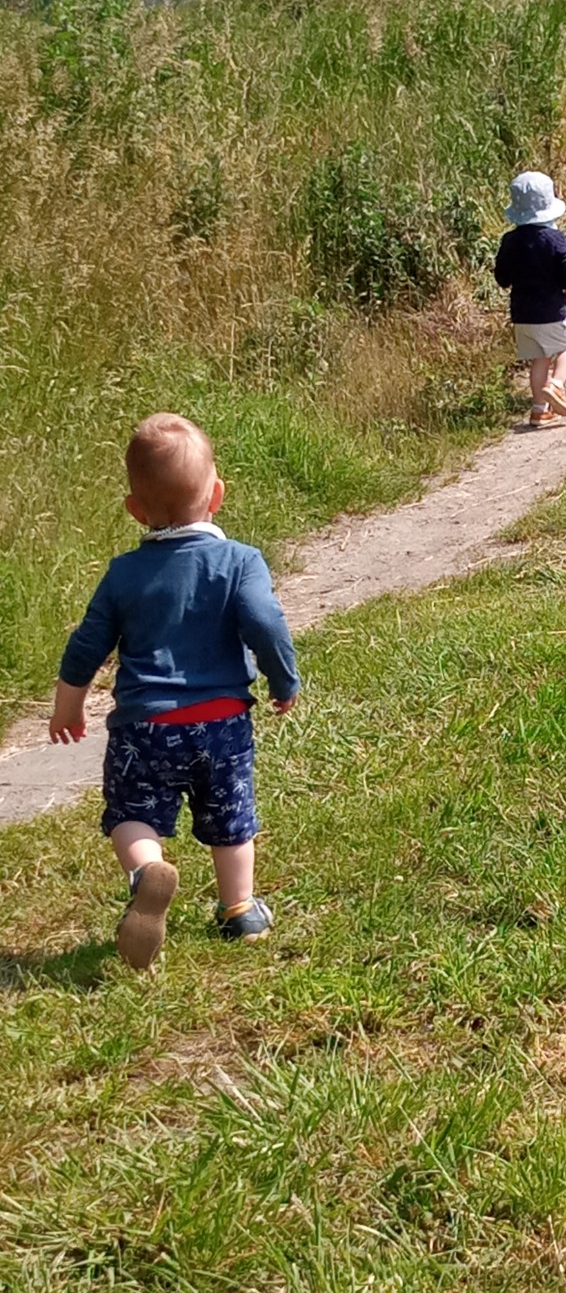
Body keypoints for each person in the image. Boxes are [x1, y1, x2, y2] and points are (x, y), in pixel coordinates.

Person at [49, 413, 300, 970]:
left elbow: (87, 644)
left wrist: (68, 703)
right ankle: (240, 909)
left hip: (146, 727)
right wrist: (283, 678)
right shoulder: (240, 561)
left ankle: (146, 872)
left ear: (136, 510)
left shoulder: (124, 574)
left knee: (132, 814)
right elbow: (265, 622)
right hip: (222, 722)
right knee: (230, 817)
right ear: (217, 495)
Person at [494, 171, 566, 429]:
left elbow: (502, 277)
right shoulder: (554, 239)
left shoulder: (509, 240)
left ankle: (538, 410)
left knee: (539, 357)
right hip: (550, 309)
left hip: (522, 313)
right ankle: (556, 385)